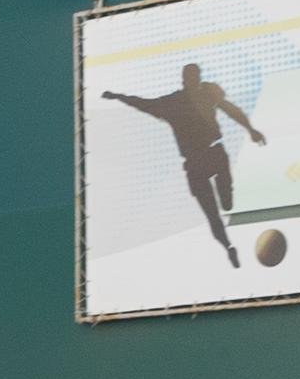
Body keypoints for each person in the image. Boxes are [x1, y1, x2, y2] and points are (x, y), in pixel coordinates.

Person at [103, 62, 267, 264]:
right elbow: (143, 104)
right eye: (192, 77)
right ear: (186, 80)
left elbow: (232, 110)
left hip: (212, 155)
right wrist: (119, 97)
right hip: (196, 162)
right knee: (212, 213)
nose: (195, 80)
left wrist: (251, 129)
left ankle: (226, 200)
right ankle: (228, 246)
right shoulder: (174, 102)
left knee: (223, 203)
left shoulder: (207, 93)